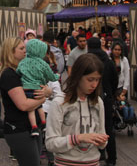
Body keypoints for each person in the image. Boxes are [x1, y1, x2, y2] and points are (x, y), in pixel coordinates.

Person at [46, 53, 109, 166]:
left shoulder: (98, 102)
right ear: (78, 76)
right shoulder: (59, 102)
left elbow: (102, 137)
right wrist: (78, 138)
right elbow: (50, 143)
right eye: (90, 79)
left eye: (97, 80)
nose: (94, 85)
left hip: (93, 162)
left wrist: (102, 140)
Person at [0, 37, 51, 166]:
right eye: (21, 48)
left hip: (31, 127)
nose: (25, 51)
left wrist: (47, 91)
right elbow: (23, 105)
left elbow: (44, 87)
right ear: (10, 52)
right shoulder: (9, 74)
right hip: (19, 129)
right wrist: (43, 98)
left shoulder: (23, 70)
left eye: (25, 48)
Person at [16, 39, 60, 136]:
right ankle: (44, 124)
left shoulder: (23, 62)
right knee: (40, 107)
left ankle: (34, 127)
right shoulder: (42, 63)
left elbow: (18, 71)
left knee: (31, 110)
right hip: (38, 88)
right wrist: (57, 76)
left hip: (26, 88)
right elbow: (50, 75)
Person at [87, 37, 119, 166]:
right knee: (107, 127)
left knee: (90, 126)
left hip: (89, 97)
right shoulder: (108, 61)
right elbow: (115, 80)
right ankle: (112, 157)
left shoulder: (87, 61)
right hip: (106, 98)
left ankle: (97, 154)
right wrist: (111, 92)